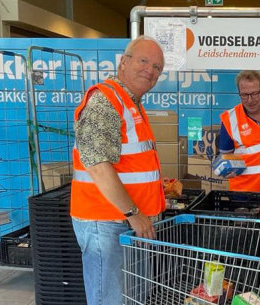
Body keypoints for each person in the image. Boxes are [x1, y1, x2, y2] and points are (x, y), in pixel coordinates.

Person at [70, 36, 166, 305]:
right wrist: (134, 213)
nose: (150, 70)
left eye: (157, 67)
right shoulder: (106, 100)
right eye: (144, 61)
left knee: (131, 298)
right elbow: (98, 166)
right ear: (123, 62)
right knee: (109, 300)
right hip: (106, 223)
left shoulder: (130, 103)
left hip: (127, 222)